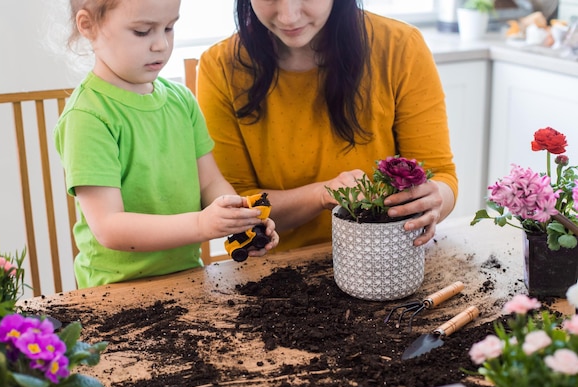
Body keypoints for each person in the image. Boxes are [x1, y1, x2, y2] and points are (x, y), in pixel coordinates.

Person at [196, 0, 458, 252]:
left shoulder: (400, 47)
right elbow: (237, 207)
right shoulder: (220, 66)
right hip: (281, 269)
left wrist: (435, 201)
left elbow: (441, 176)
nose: (289, 16)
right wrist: (323, 194)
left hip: (388, 256)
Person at [54, 0, 278, 289]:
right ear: (88, 26)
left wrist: (240, 221)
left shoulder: (181, 101)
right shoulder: (88, 116)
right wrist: (201, 224)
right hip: (114, 290)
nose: (161, 44)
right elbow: (109, 227)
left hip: (187, 278)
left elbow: (210, 183)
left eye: (169, 28)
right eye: (143, 31)